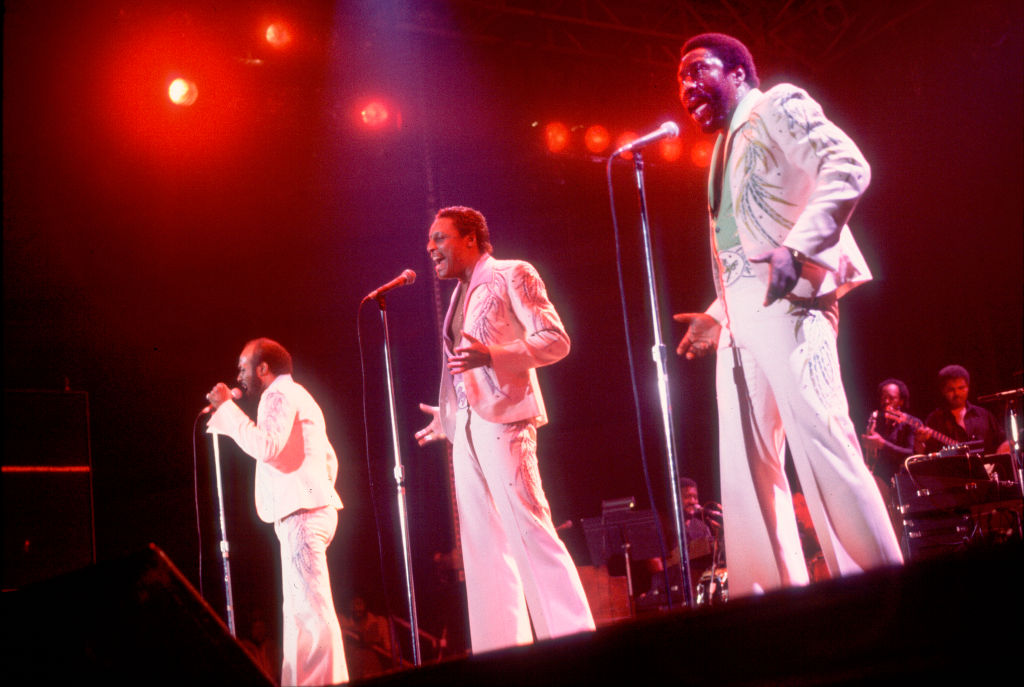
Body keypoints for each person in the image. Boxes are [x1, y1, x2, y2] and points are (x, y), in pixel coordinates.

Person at [672, 33, 903, 597]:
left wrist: (799, 248)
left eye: (698, 71)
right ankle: (771, 609)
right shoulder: (721, 148)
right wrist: (717, 313)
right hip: (740, 314)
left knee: (823, 441)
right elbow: (739, 244)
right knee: (746, 469)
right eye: (679, 80)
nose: (686, 88)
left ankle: (885, 592)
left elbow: (847, 166)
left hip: (794, 298)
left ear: (738, 72)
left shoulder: (776, 103)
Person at [415, 206, 595, 653]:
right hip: (470, 429)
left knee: (530, 528)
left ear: (471, 238)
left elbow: (555, 339)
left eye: (440, 238)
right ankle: (501, 654)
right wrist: (450, 415)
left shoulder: (513, 272)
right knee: (482, 549)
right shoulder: (458, 296)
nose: (430, 248)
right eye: (429, 240)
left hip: (508, 420)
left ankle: (574, 642)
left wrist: (494, 355)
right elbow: (464, 369)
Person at [206, 338, 348, 686]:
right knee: (301, 614)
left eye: (243, 366)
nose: (238, 374)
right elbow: (330, 457)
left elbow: (267, 446)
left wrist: (226, 409)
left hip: (303, 512)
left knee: (311, 615)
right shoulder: (300, 394)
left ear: (263, 368)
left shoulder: (278, 394)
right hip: (309, 509)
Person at [915, 364, 1008, 456]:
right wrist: (919, 442)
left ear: (968, 387)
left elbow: (1004, 441)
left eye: (961, 388)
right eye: (951, 390)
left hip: (988, 469)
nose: (957, 394)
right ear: (943, 391)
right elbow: (925, 455)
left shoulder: (983, 415)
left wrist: (1004, 448)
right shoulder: (935, 420)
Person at [861, 379, 917, 493]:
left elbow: (910, 454)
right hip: (877, 478)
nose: (886, 401)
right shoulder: (876, 419)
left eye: (891, 398)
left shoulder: (911, 423)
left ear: (901, 401)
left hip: (901, 481)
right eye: (883, 397)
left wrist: (883, 444)